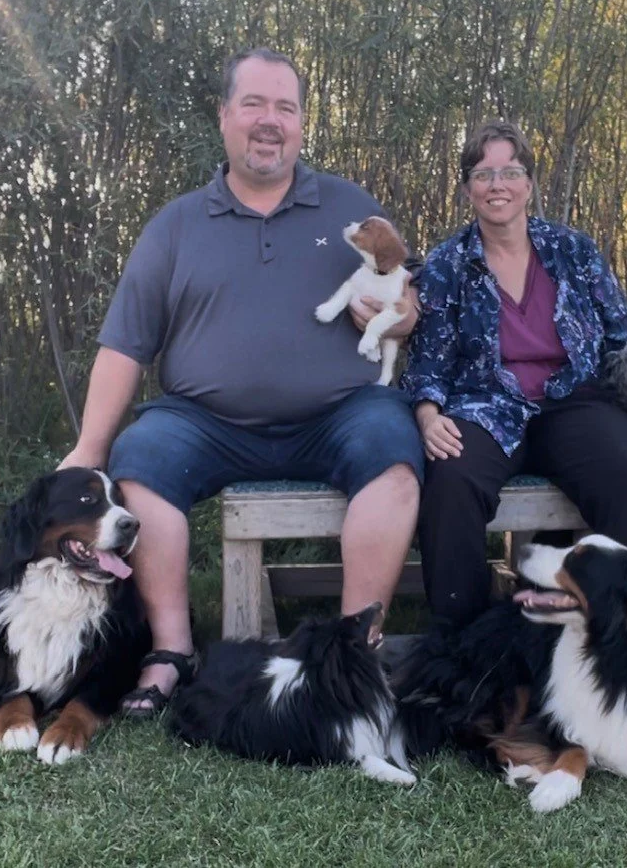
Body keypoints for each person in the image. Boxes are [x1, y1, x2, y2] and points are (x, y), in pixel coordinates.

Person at [59, 48, 424, 716]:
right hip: (204, 421)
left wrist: (400, 321)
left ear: (303, 124)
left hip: (341, 413)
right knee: (139, 460)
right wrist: (88, 447)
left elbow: (408, 297)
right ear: (224, 117)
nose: (269, 121)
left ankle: (352, 657)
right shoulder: (175, 225)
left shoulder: (349, 206)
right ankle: (171, 651)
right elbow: (123, 345)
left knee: (393, 457)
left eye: (285, 107)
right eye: (253, 104)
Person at [400, 120, 627, 627]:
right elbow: (429, 361)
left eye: (510, 171)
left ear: (529, 183)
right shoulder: (447, 264)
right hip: (487, 404)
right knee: (451, 479)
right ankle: (466, 653)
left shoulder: (574, 251)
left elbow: (618, 339)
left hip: (576, 400)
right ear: (467, 189)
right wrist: (426, 415)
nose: (497, 185)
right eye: (483, 174)